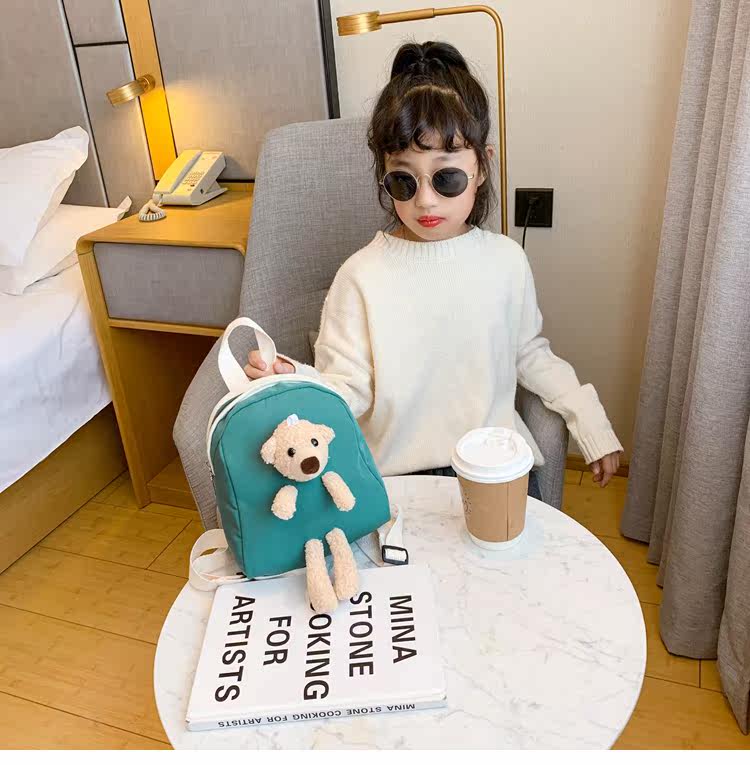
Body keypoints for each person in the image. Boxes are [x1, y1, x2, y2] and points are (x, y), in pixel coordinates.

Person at [244, 40, 623, 497]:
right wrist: (294, 381)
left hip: (495, 470)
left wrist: (589, 419)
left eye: (446, 178)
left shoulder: (506, 261)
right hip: (394, 484)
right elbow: (347, 390)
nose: (424, 200)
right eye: (404, 180)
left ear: (482, 167)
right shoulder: (360, 277)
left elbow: (529, 354)